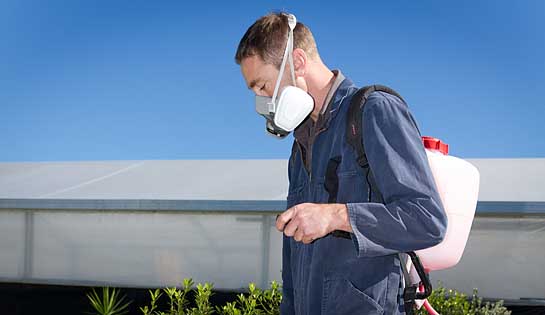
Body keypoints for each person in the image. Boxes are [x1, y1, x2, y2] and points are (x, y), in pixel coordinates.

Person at [235, 12, 448, 315]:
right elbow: (293, 268)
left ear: (297, 62)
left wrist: (336, 216)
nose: (264, 103)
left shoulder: (373, 111)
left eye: (263, 86)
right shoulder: (300, 148)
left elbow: (426, 221)